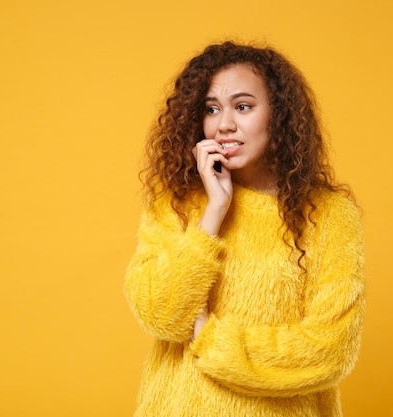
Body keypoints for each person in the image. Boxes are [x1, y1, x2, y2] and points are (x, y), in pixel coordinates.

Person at [124, 41, 365, 417]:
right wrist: (214, 212)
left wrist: (212, 341)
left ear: (278, 115)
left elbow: (331, 349)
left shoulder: (329, 215)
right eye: (211, 109)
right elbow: (159, 314)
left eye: (243, 106)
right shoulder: (179, 202)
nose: (224, 124)